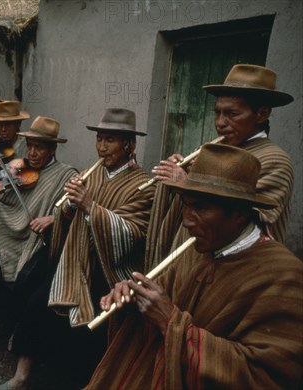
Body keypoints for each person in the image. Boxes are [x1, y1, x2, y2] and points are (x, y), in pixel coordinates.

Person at [86, 143, 302, 389]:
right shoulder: (197, 250)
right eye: (184, 204)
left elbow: (267, 376)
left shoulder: (283, 276)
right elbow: (156, 310)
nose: (186, 220)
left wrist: (171, 322)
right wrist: (135, 300)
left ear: (240, 214)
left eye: (200, 208)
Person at [0, 117, 76, 375]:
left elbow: (72, 211)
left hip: (42, 245)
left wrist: (54, 218)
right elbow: (4, 204)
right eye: (30, 145)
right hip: (14, 240)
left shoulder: (66, 174)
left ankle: (23, 344)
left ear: (53, 149)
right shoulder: (18, 169)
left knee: (31, 285)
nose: (32, 152)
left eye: (40, 147)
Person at [44, 108, 155, 385]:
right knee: (47, 310)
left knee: (90, 334)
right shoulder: (89, 174)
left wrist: (90, 207)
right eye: (99, 139)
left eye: (110, 140)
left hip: (113, 272)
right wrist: (68, 209)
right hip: (78, 262)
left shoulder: (144, 184)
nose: (102, 147)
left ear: (130, 145)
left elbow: (133, 233)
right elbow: (66, 222)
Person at [146, 64, 294, 270]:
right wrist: (181, 172)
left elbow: (241, 213)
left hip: (240, 267)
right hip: (196, 258)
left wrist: (184, 182)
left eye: (232, 114)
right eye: (217, 113)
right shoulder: (214, 151)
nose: (220, 123)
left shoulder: (274, 160)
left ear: (262, 114)